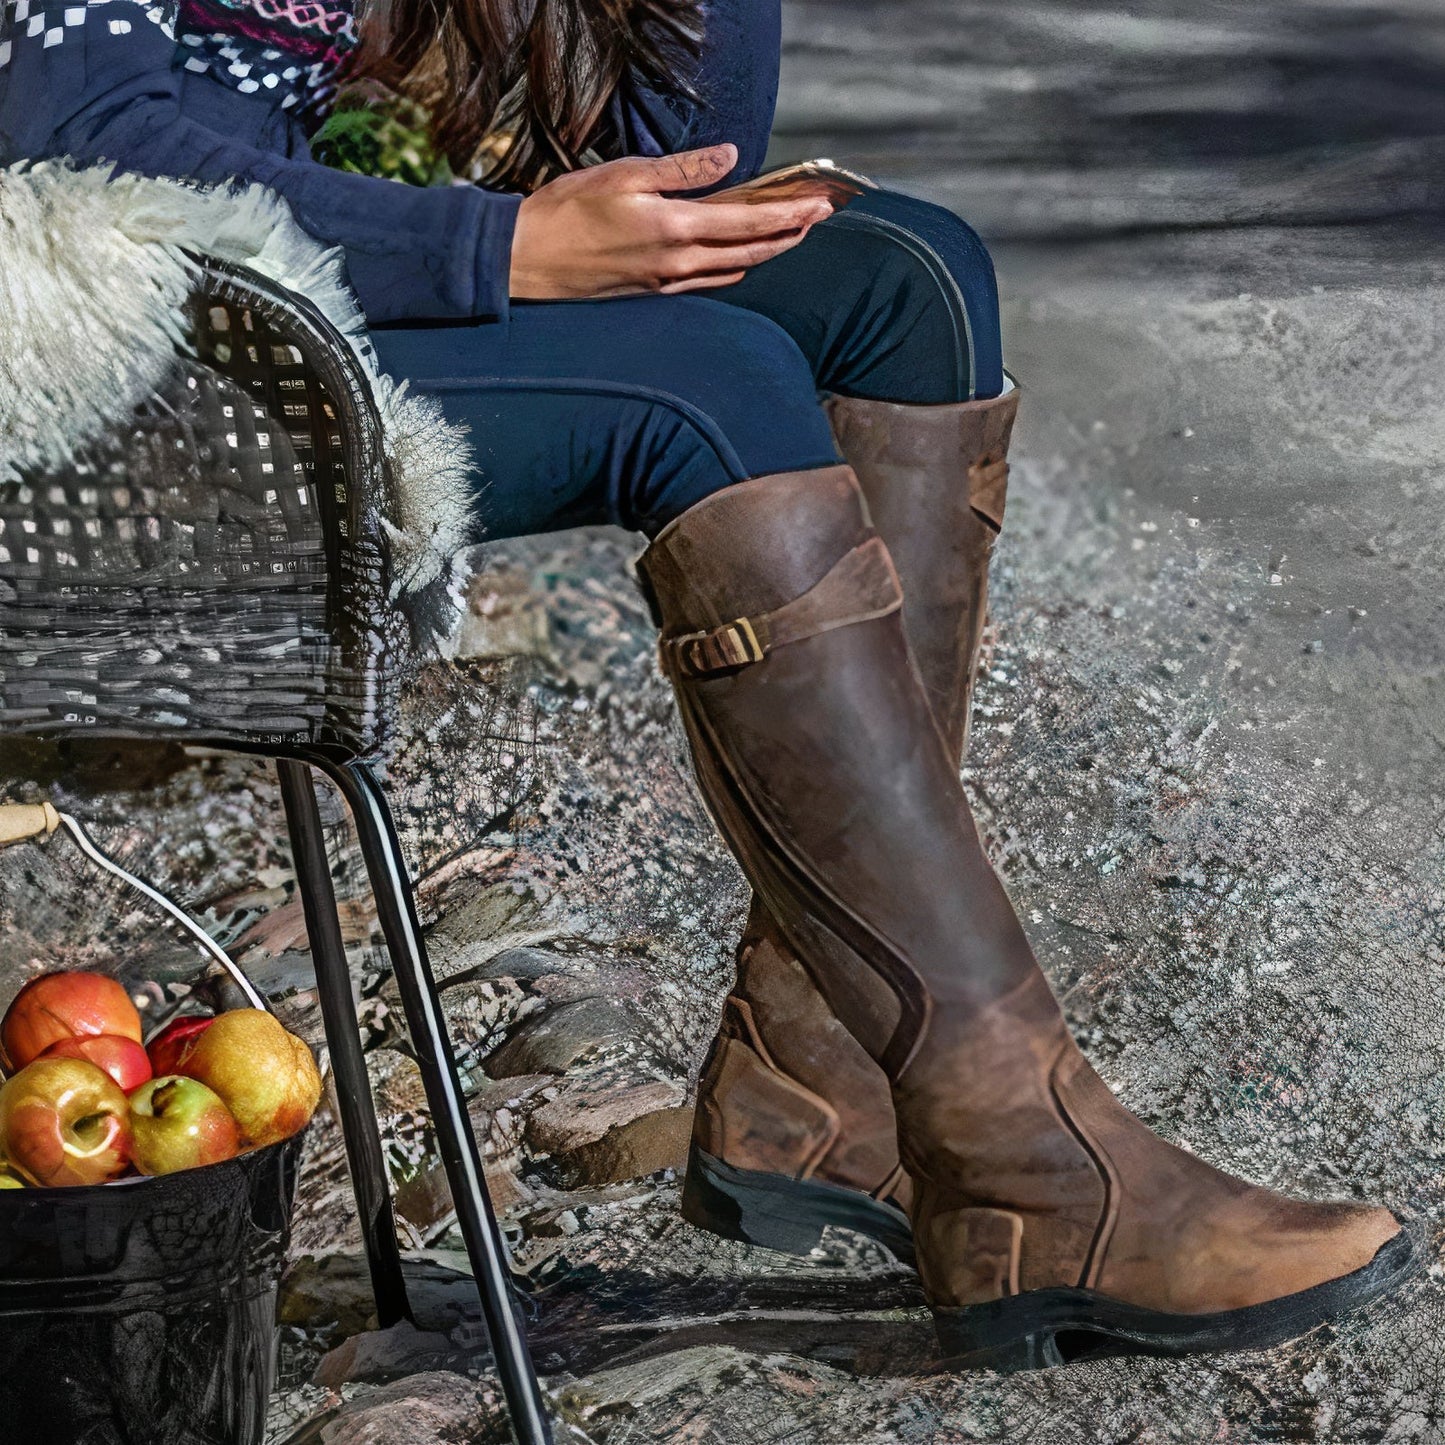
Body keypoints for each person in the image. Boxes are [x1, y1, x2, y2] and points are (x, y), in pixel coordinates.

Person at [0, 0, 1410, 1369]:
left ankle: (818, 1084)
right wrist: (504, 244)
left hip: (259, 308)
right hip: (95, 366)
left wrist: (546, 229)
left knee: (901, 285)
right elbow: (85, 147)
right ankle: (1023, 1159)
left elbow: (683, 156)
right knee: (710, 382)